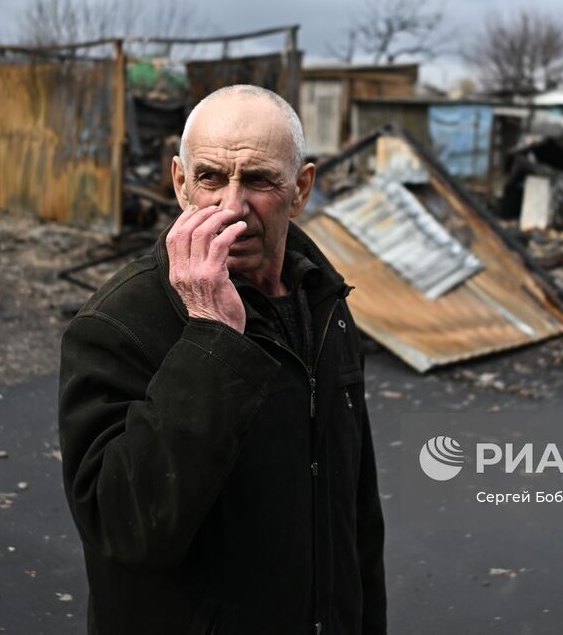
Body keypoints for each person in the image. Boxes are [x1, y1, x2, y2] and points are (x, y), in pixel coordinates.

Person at [58, 85, 387, 634]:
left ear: (301, 188)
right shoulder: (117, 323)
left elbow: (358, 513)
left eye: (259, 180)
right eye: (210, 177)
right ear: (180, 183)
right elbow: (125, 531)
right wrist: (211, 338)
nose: (232, 206)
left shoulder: (324, 302)